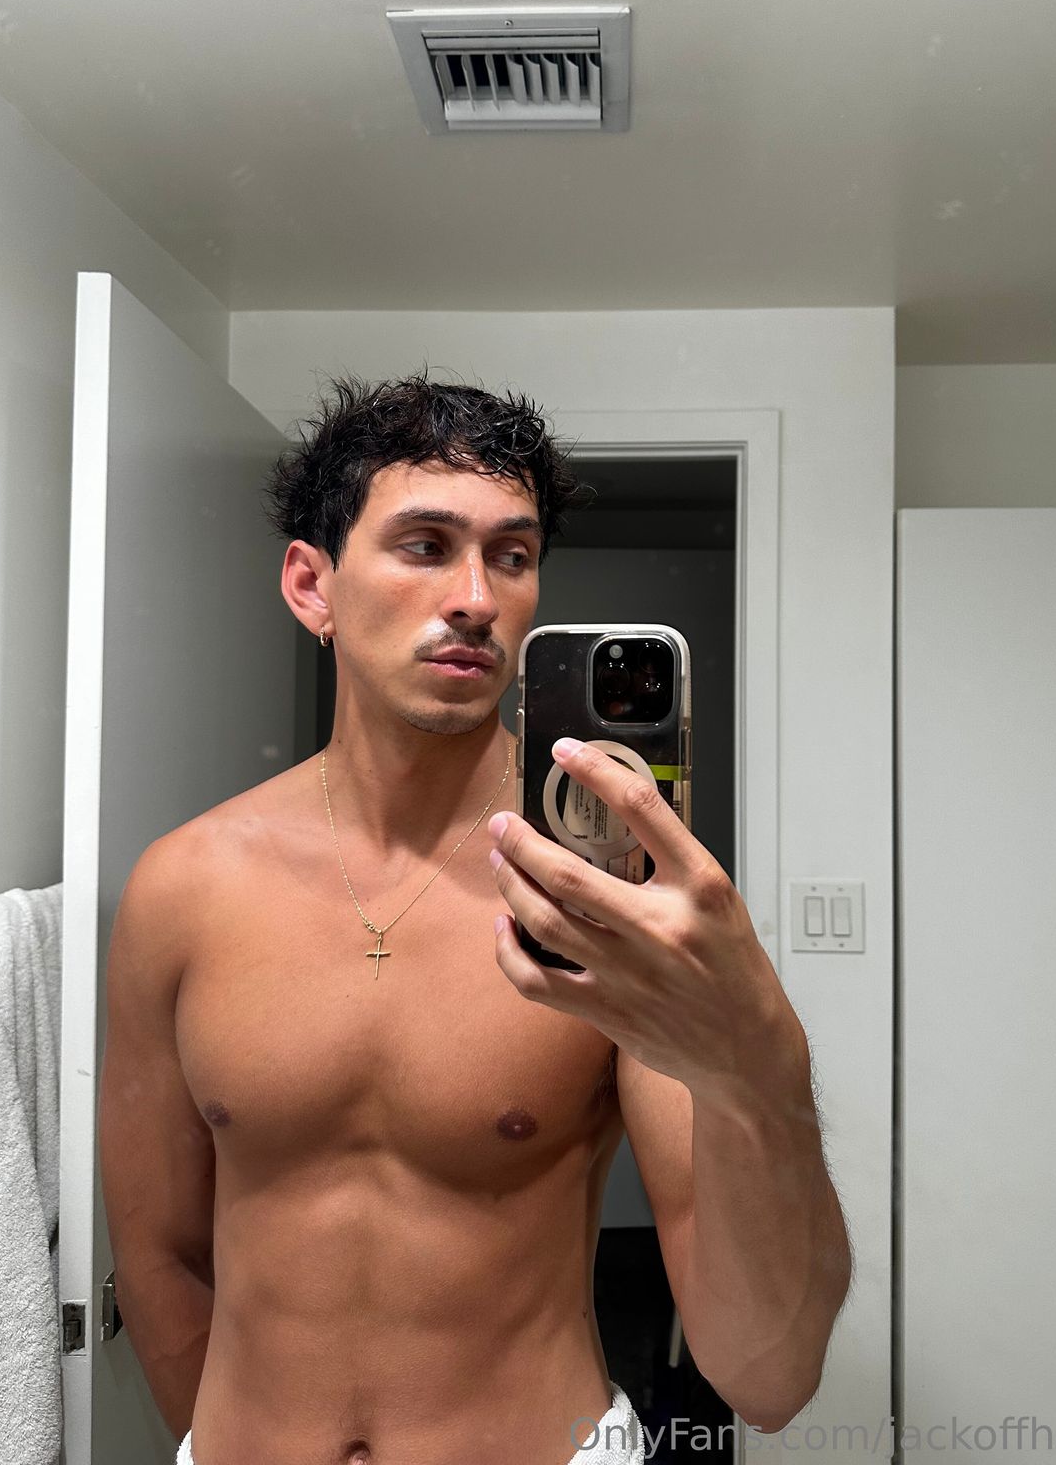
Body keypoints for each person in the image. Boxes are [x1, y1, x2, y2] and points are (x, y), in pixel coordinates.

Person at [98, 374, 852, 1465]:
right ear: (312, 584)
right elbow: (159, 1256)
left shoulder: (603, 896)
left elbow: (769, 1378)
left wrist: (763, 1061)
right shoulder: (185, 887)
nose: (475, 597)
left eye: (511, 555)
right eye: (425, 545)